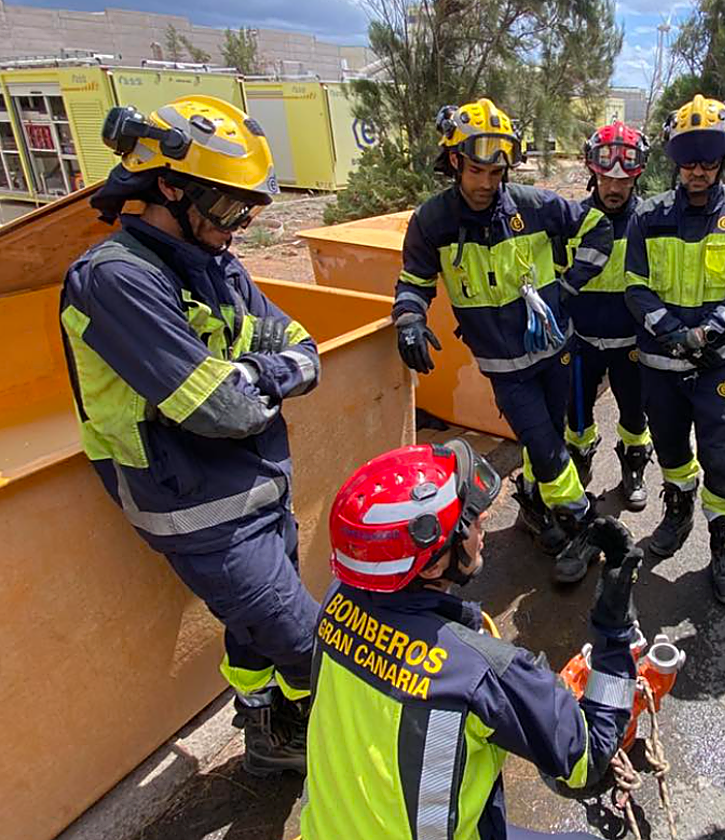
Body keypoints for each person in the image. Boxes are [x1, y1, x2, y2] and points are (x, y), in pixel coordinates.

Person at [60, 96, 321, 774]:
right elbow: (223, 411)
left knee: (256, 632)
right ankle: (328, 733)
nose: (240, 226)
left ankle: (267, 729)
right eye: (229, 206)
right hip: (197, 510)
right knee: (309, 644)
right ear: (169, 188)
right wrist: (260, 381)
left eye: (249, 209)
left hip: (257, 488)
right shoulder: (115, 279)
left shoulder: (216, 263)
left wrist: (253, 375)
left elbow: (303, 348)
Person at [301, 440, 641, 840]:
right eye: (469, 519)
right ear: (431, 567)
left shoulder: (337, 603)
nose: (483, 522)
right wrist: (614, 629)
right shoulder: (477, 672)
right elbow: (590, 754)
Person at [392, 98, 614, 584]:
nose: (486, 184)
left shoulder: (535, 206)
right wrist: (408, 319)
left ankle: (534, 505)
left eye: (496, 173)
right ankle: (585, 523)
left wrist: (571, 285)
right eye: (476, 171)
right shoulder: (432, 222)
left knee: (548, 435)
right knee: (545, 446)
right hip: (504, 367)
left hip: (555, 353)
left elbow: (598, 227)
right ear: (454, 162)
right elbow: (413, 281)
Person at [625, 94, 725, 606]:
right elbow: (636, 287)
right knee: (670, 450)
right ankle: (678, 509)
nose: (698, 169)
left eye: (708, 158)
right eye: (688, 158)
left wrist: (706, 334)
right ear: (675, 160)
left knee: (721, 457)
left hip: (717, 366)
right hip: (660, 366)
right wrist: (673, 333)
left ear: (724, 158)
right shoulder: (647, 216)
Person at [565, 122, 653, 511]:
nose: (613, 188)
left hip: (631, 343)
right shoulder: (572, 219)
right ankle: (579, 459)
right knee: (576, 413)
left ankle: (634, 467)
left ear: (636, 178)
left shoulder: (648, 222)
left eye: (623, 181)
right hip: (581, 340)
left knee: (634, 413)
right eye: (605, 179)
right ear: (593, 173)